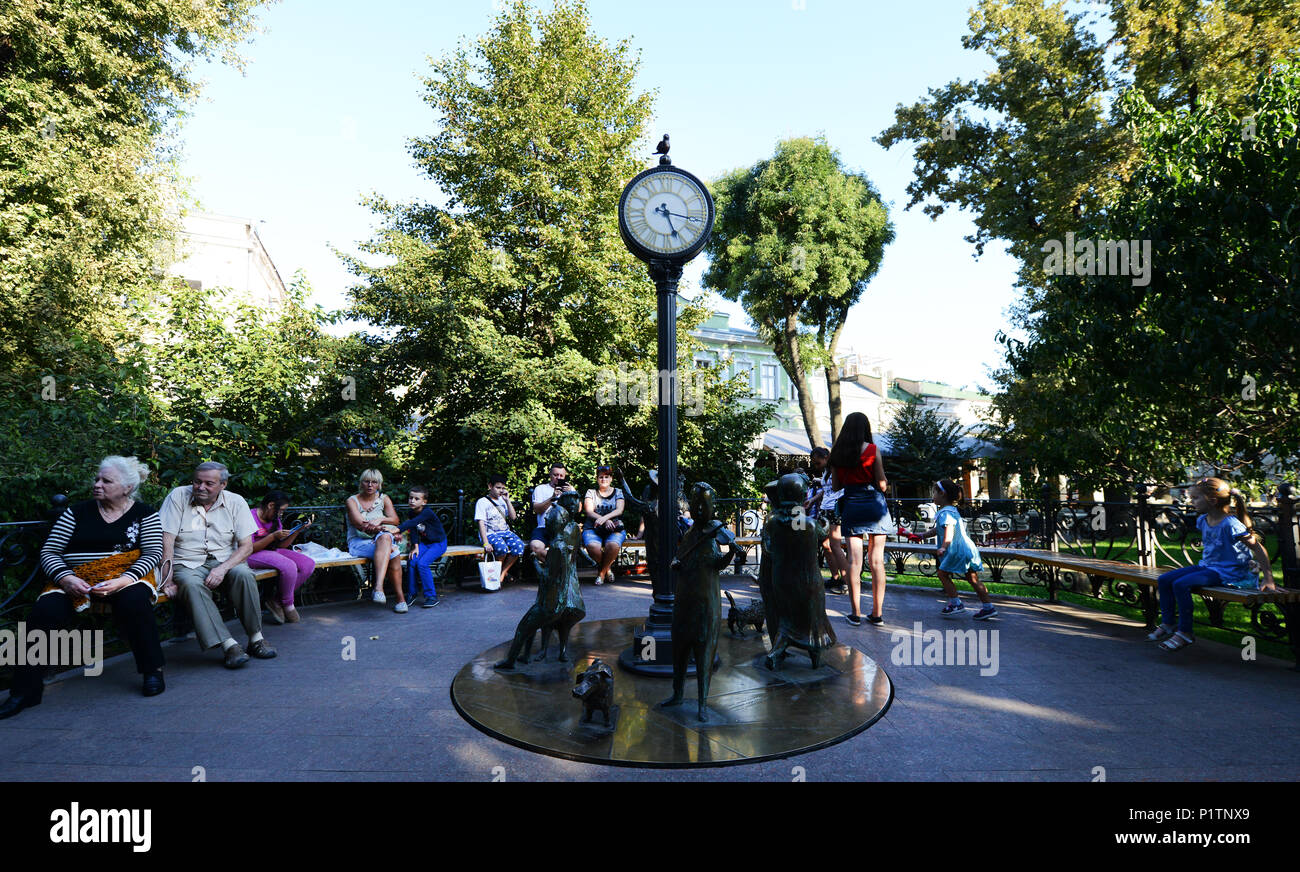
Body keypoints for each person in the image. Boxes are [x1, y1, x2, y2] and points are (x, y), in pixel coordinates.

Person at [0, 457, 165, 719]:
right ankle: (24, 691)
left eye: (106, 481)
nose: (97, 484)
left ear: (127, 488)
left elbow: (154, 551)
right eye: (97, 479)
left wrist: (125, 579)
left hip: (126, 578)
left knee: (133, 602)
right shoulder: (77, 512)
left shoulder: (144, 513)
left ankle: (152, 671)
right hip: (75, 580)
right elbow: (50, 551)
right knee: (44, 613)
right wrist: (66, 579)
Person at [158, 461, 276, 668]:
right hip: (187, 562)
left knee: (244, 574)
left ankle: (256, 638)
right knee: (191, 585)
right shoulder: (178, 496)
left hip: (224, 559)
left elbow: (246, 547)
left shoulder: (236, 502)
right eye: (197, 482)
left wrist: (222, 569)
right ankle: (229, 645)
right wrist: (167, 579)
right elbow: (166, 540)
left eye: (208, 483)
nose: (200, 487)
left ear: (223, 484)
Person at [1149, 478, 1273, 651]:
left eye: (1195, 498)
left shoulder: (1231, 524)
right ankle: (1168, 623)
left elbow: (1258, 548)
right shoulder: (1203, 520)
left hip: (1228, 573)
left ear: (1213, 501)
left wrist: (1268, 578)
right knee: (1164, 579)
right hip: (1208, 566)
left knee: (1180, 584)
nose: (1191, 502)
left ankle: (1185, 632)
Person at [830, 411, 893, 626]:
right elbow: (882, 483)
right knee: (876, 561)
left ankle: (855, 613)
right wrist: (883, 484)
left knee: (854, 562)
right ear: (865, 427)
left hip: (852, 506)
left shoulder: (837, 453)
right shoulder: (873, 450)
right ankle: (877, 614)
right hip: (875, 506)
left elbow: (836, 486)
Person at [928, 479, 997, 620]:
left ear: (942, 494)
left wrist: (943, 547)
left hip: (956, 550)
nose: (932, 495)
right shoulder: (951, 510)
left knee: (942, 573)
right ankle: (988, 607)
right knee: (972, 578)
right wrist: (922, 535)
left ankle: (955, 603)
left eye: (934, 492)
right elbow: (939, 529)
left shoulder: (946, 512)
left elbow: (949, 531)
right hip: (967, 548)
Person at [247, 490, 315, 624]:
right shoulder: (249, 517)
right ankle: (288, 604)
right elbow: (248, 548)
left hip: (271, 551)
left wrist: (298, 531)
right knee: (288, 565)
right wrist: (272, 536)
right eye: (281, 510)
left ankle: (276, 601)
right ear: (271, 505)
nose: (281, 514)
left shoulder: (275, 520)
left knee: (308, 564)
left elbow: (282, 546)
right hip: (251, 554)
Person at [345, 469, 407, 613]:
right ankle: (400, 598)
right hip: (358, 542)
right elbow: (361, 525)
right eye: (367, 481)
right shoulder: (352, 501)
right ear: (361, 483)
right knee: (393, 551)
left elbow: (395, 520)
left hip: (380, 540)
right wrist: (383, 528)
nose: (370, 485)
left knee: (385, 539)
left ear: (379, 484)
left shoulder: (384, 499)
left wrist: (381, 519)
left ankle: (378, 588)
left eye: (374, 482)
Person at [804, 447, 848, 595]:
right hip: (825, 509)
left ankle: (846, 581)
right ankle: (835, 578)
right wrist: (812, 500)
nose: (816, 466)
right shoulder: (826, 472)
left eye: (818, 462)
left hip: (835, 509)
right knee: (826, 545)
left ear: (826, 457)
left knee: (835, 545)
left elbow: (841, 488)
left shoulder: (837, 468)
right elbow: (826, 489)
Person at [398, 485, 447, 608]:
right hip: (425, 543)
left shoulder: (427, 512)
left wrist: (396, 529)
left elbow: (412, 523)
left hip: (439, 543)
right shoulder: (411, 512)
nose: (412, 501)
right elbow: (413, 529)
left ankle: (431, 596)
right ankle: (412, 593)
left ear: (424, 502)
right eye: (410, 498)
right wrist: (415, 546)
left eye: (416, 499)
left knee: (422, 564)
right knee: (412, 561)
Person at [475, 475, 525, 584]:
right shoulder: (482, 502)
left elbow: (513, 517)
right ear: (490, 486)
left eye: (503, 488)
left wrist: (507, 501)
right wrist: (485, 543)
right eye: (498, 488)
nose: (501, 491)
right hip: (490, 533)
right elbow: (481, 523)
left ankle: (502, 573)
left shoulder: (503, 500)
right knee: (502, 548)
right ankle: (499, 575)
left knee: (519, 546)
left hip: (505, 532)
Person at [583, 465, 625, 585]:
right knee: (592, 547)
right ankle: (607, 569)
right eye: (601, 477)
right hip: (593, 528)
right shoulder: (591, 492)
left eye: (607, 477)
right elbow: (589, 511)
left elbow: (619, 510)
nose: (604, 479)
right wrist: (603, 520)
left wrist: (606, 518)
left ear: (611, 478)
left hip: (614, 528)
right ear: (597, 479)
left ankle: (601, 573)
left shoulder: (618, 492)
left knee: (613, 545)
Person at [529, 464, 577, 563]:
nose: (558, 478)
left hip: (564, 530)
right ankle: (559, 566)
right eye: (555, 475)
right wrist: (552, 498)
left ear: (564, 476)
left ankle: (557, 569)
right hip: (544, 528)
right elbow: (537, 510)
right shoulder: (541, 489)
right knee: (535, 547)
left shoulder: (570, 489)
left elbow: (578, 509)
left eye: (561, 476)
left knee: (569, 549)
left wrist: (570, 495)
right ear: (550, 475)